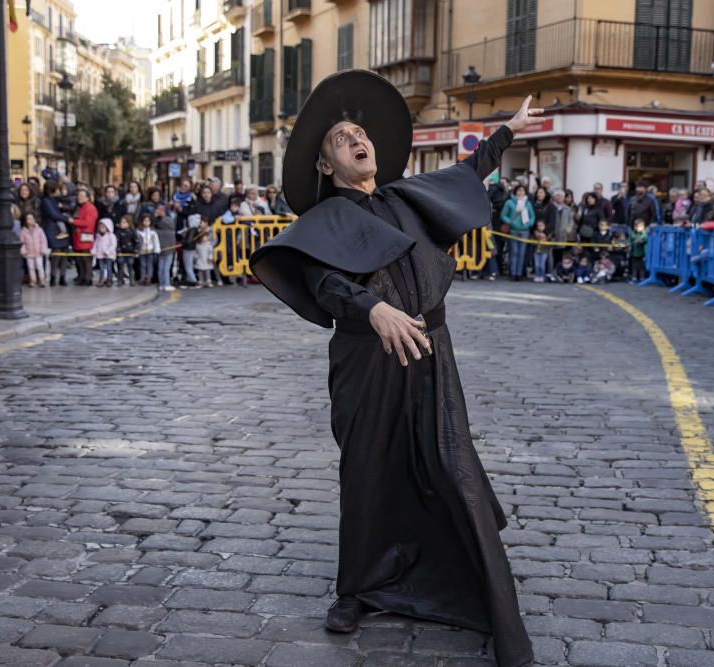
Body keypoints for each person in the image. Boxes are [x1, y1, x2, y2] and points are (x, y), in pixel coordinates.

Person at [248, 70, 535, 667]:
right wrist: (372, 308)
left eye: (360, 132)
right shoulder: (323, 222)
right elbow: (324, 280)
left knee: (446, 457)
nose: (356, 138)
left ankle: (465, 573)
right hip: (367, 359)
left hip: (432, 349)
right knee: (368, 469)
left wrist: (507, 131)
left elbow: (467, 172)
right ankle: (354, 590)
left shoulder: (406, 197)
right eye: (340, 138)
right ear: (327, 166)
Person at [500, 183, 535, 281]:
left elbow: (532, 216)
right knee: (513, 252)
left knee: (522, 253)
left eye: (522, 191)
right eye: (519, 190)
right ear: (515, 192)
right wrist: (510, 222)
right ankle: (512, 272)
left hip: (524, 231)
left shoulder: (527, 203)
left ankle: (519, 274)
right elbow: (503, 215)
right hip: (513, 230)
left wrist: (529, 224)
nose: (521, 192)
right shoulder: (509, 202)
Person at [73, 189, 98, 286]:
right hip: (79, 236)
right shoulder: (80, 207)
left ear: (87, 197)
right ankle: (82, 277)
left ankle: (87, 278)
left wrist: (73, 221)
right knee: (79, 259)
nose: (79, 197)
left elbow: (88, 222)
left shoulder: (90, 208)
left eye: (82, 195)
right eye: (79, 195)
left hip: (85, 236)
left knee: (85, 258)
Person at [18, 212, 48, 287]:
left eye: (32, 218)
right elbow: (22, 242)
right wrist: (24, 252)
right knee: (30, 267)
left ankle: (42, 280)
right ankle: (32, 280)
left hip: (38, 253)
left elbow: (43, 240)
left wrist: (42, 250)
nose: (30, 220)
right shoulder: (23, 231)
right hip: (29, 253)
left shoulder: (39, 230)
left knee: (39, 266)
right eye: (28, 219)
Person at [156, 208, 177, 292]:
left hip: (161, 251)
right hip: (169, 251)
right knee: (166, 268)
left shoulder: (158, 232)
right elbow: (174, 243)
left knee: (161, 268)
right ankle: (167, 284)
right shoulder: (172, 232)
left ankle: (161, 284)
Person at [92, 218, 117, 287]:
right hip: (100, 255)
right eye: (100, 227)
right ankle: (101, 279)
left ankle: (109, 279)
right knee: (101, 268)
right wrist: (93, 250)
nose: (101, 229)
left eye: (103, 227)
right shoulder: (98, 236)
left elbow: (113, 245)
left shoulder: (111, 236)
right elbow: (95, 244)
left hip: (109, 255)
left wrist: (108, 251)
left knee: (109, 268)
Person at [136, 213, 160, 286]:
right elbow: (137, 242)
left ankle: (149, 277)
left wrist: (157, 250)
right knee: (142, 265)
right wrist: (136, 251)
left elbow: (156, 241)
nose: (146, 222)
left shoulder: (153, 232)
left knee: (150, 265)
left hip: (150, 250)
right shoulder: (139, 231)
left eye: (148, 221)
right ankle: (143, 277)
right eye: (145, 221)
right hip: (142, 251)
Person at [115, 215, 138, 286]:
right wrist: (118, 251)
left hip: (130, 252)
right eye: (122, 222)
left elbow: (136, 242)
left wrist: (135, 251)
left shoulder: (133, 232)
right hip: (121, 252)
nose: (122, 224)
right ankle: (120, 280)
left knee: (130, 266)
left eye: (125, 222)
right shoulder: (118, 232)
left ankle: (131, 280)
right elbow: (117, 242)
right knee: (120, 266)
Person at [193, 217, 215, 287]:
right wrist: (195, 257)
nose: (206, 238)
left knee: (207, 270)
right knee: (200, 271)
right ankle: (201, 281)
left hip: (206, 260)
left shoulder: (208, 245)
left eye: (206, 237)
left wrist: (210, 258)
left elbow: (211, 252)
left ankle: (208, 281)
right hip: (200, 260)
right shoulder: (198, 245)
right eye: (204, 237)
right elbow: (195, 252)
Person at [628, 219, 647, 283]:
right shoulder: (632, 234)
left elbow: (646, 240)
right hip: (633, 253)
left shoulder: (644, 234)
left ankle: (642, 278)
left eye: (641, 226)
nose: (640, 228)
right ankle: (634, 278)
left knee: (642, 267)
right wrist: (630, 243)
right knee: (634, 266)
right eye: (638, 226)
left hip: (642, 253)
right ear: (635, 227)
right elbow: (629, 241)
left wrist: (641, 241)